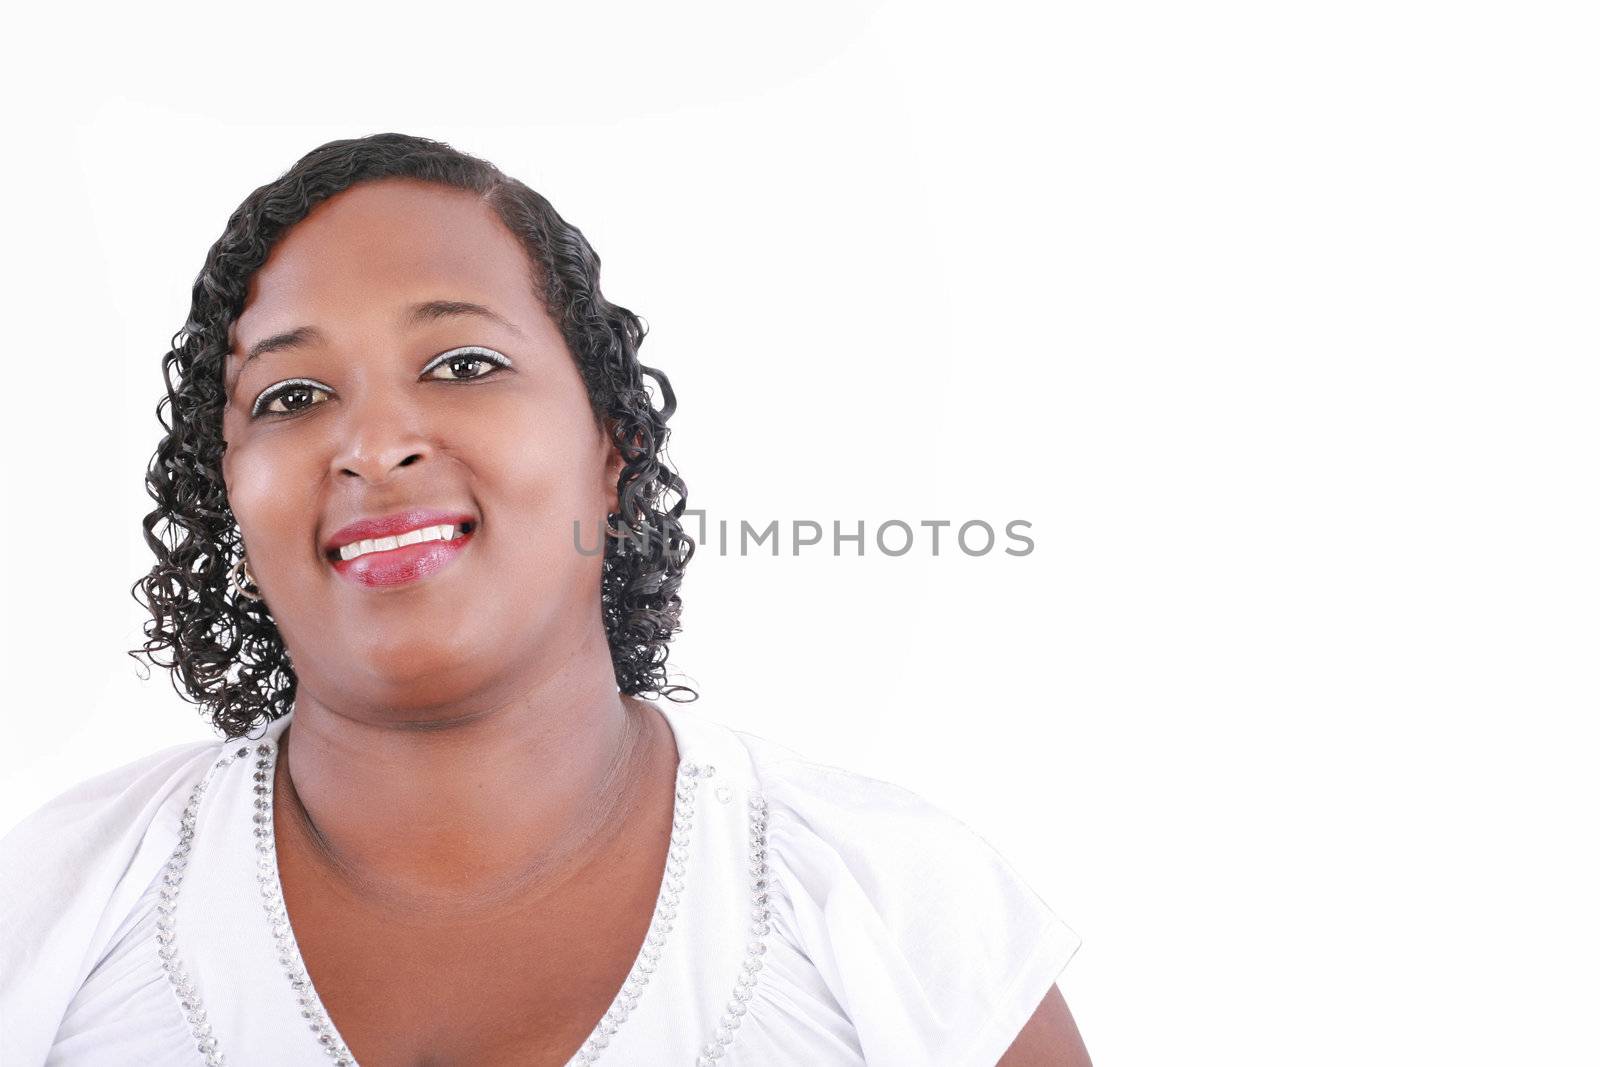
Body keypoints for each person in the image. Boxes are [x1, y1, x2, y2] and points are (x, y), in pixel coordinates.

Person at [0, 132, 1088, 1066]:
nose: (374, 444)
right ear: (226, 487)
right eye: (292, 394)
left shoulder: (895, 910)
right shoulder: (55, 907)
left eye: (463, 363)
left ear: (613, 444)